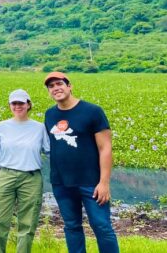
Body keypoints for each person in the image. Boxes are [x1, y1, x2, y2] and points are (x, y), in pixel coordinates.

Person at [43, 72, 119, 253]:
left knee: (102, 226)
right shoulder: (50, 114)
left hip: (91, 182)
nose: (56, 88)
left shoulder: (93, 111)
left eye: (59, 83)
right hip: (62, 183)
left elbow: (105, 148)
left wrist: (104, 182)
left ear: (70, 86)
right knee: (71, 226)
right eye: (51, 86)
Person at [0, 89, 49, 253]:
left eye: (21, 103)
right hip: (6, 175)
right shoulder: (2, 126)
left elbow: (50, 150)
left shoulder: (39, 127)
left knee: (27, 224)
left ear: (28, 104)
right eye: (14, 103)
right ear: (10, 105)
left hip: (31, 177)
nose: (17, 106)